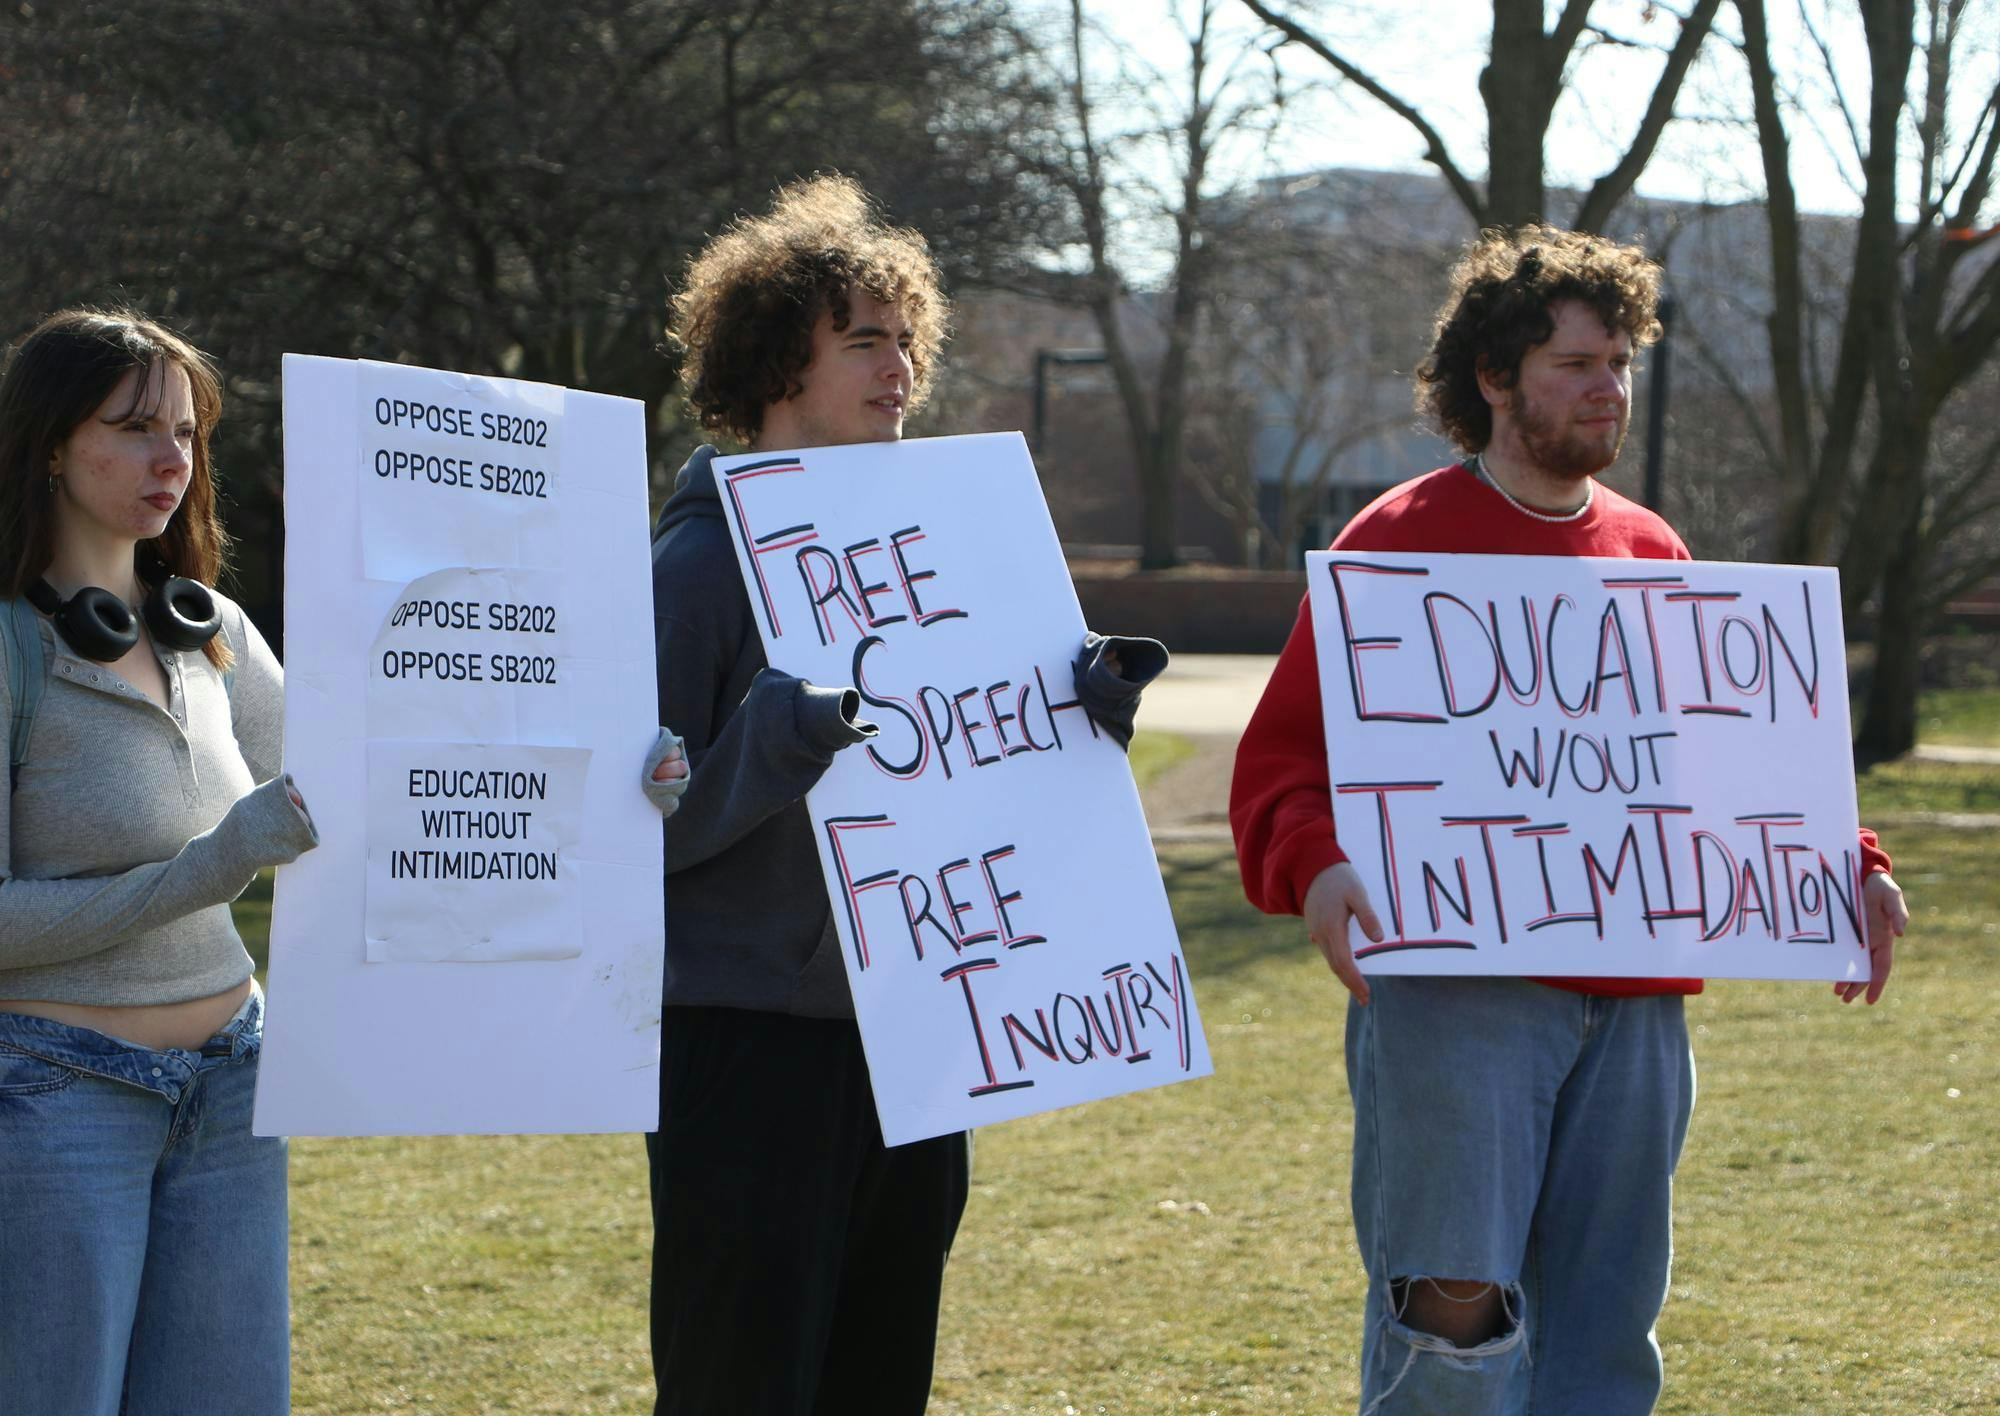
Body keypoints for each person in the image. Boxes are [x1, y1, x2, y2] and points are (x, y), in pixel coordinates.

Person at [1229, 227, 1909, 1415]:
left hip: (1636, 1005)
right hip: (1455, 993)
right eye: (1575, 364)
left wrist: (1843, 866)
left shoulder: (1652, 549)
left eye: (1619, 363)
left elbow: (1732, 763)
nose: (1607, 389)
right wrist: (1315, 865)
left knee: (1606, 1321)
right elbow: (1284, 762)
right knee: (1453, 1309)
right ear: (1493, 379)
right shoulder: (1394, 543)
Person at [647, 175, 1166, 1414]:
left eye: (905, 340)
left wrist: (1080, 705)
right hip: (745, 1045)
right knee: (741, 1381)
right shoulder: (697, 564)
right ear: (777, 361)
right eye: (862, 341)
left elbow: (993, 764)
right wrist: (777, 744)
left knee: (880, 1377)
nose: (897, 369)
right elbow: (627, 835)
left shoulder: (957, 544)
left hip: (925, 1031)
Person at [0, 308, 322, 1414]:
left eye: (184, 431)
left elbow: (360, 789)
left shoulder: (212, 625)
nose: (171, 459)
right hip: (52, 1099)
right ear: (50, 442)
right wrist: (214, 864)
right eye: (134, 428)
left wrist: (618, 782)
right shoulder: (9, 648)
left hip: (236, 1088)